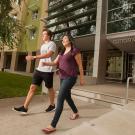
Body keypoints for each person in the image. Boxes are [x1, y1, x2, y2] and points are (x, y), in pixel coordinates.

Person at [42, 35, 85, 134]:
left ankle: (53, 125)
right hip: (62, 77)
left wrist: (82, 78)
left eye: (65, 38)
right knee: (67, 97)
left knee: (60, 97)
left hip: (71, 77)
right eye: (62, 39)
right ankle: (76, 112)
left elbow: (80, 65)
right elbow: (54, 62)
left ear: (70, 40)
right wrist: (46, 64)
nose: (63, 40)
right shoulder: (61, 52)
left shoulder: (75, 51)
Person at [13, 28, 56, 114]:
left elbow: (48, 54)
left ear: (49, 36)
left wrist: (34, 57)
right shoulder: (43, 45)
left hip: (48, 70)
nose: (42, 36)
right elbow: (43, 55)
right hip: (39, 69)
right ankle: (25, 107)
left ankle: (52, 105)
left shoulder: (52, 44)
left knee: (49, 88)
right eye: (42, 34)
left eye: (44, 34)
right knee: (32, 87)